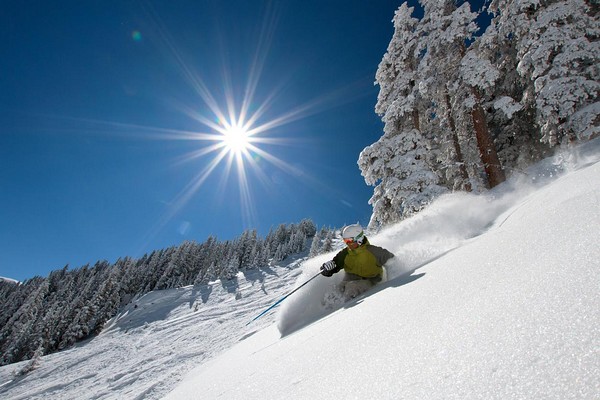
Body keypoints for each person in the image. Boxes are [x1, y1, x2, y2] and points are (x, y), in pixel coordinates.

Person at [320, 224, 394, 298]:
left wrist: (393, 279)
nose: (348, 243)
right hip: (350, 279)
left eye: (350, 240)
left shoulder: (373, 251)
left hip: (371, 281)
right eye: (346, 240)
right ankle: (330, 308)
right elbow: (335, 264)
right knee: (336, 291)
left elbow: (391, 260)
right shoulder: (345, 253)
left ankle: (352, 308)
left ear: (359, 239)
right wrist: (327, 269)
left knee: (351, 288)